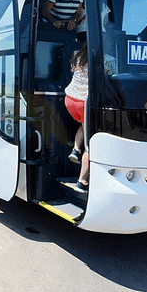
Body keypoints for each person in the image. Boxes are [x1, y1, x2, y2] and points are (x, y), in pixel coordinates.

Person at [64, 43, 90, 193]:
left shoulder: (77, 54)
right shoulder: (107, 59)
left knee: (82, 124)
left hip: (70, 99)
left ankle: (75, 150)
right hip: (83, 103)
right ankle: (81, 181)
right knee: (90, 143)